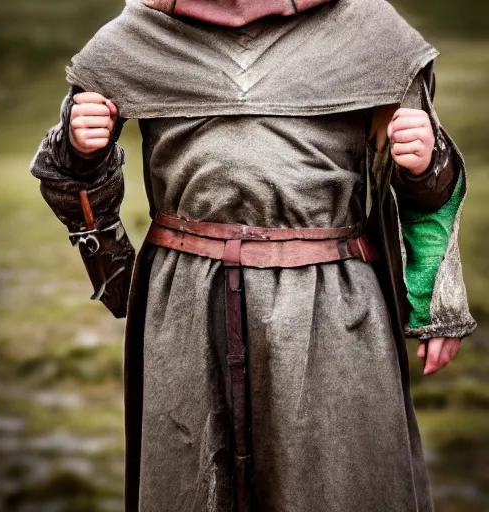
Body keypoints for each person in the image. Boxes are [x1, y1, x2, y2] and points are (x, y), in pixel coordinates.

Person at [31, 0, 476, 510]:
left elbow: (425, 190)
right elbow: (71, 181)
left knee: (341, 486)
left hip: (332, 307)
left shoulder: (370, 32)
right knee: (194, 487)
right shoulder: (140, 37)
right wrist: (81, 148)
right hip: (188, 309)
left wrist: (422, 169)